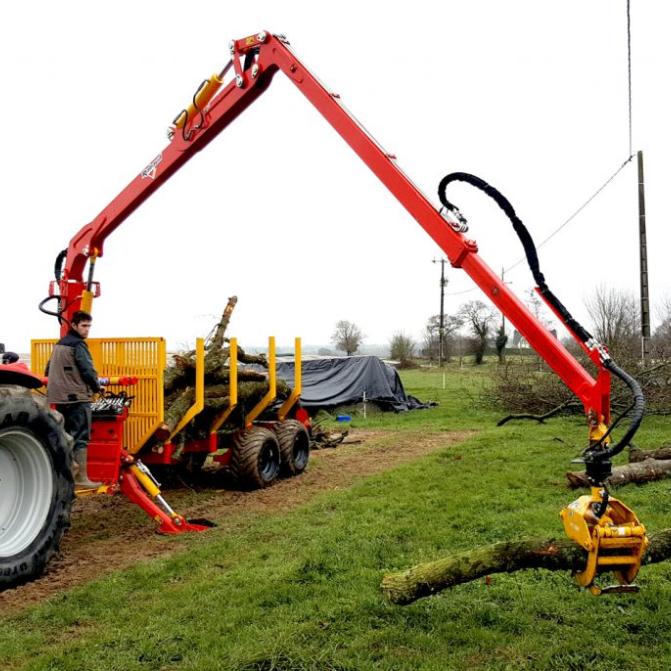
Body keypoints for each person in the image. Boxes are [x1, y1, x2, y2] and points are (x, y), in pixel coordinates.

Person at [46, 310, 102, 487]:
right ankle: (81, 477)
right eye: (84, 326)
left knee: (66, 435)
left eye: (89, 326)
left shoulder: (59, 344)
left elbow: (48, 370)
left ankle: (69, 471)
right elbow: (88, 371)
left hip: (60, 399)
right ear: (74, 325)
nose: (87, 330)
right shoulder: (78, 345)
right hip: (77, 397)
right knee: (81, 436)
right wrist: (97, 388)